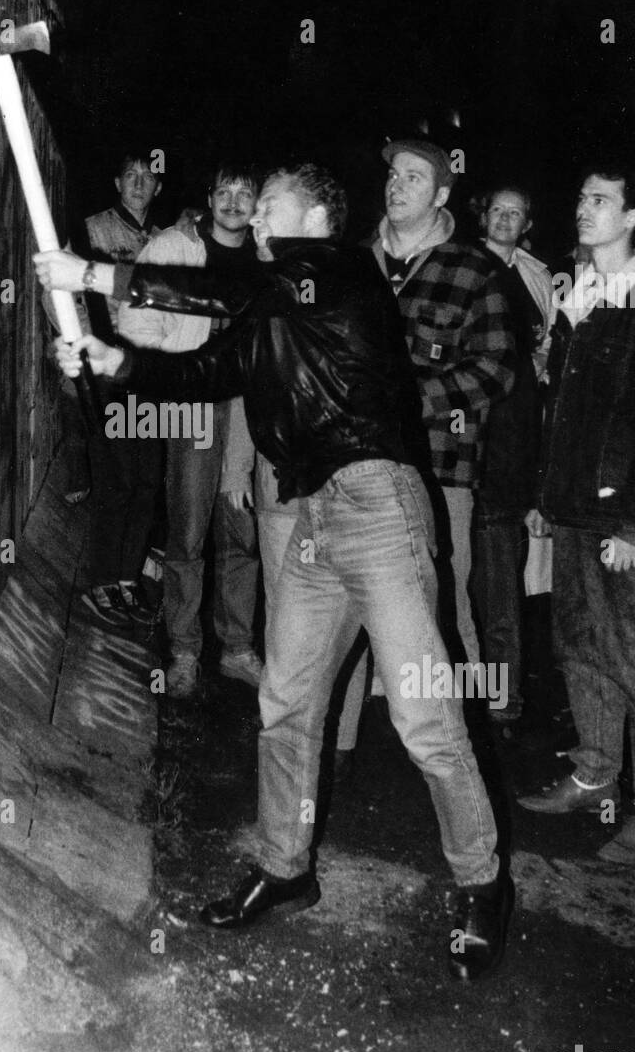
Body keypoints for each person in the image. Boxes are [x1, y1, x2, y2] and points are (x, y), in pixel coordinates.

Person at [36, 162, 514, 981]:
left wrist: (96, 273)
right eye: (251, 206)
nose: (254, 216)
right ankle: (285, 869)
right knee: (287, 703)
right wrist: (108, 359)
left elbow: (229, 293)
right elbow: (202, 371)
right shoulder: (271, 311)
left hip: (379, 502)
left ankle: (483, 883)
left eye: (268, 205)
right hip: (313, 516)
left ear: (319, 216)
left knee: (425, 716)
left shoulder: (339, 271)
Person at [518, 164, 635, 864]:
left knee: (629, 649)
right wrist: (546, 496)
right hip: (572, 509)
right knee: (581, 643)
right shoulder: (577, 295)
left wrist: (632, 525)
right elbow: (559, 414)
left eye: (600, 201)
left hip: (620, 516)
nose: (583, 209)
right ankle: (596, 772)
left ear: (632, 218)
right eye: (582, 197)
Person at [369, 140, 516, 669]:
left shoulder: (474, 270)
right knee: (355, 599)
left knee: (444, 605)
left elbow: (496, 368)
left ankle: (464, 728)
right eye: (393, 174)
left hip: (440, 467)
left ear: (442, 194)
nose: (396, 185)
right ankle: (348, 741)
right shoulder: (356, 261)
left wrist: (414, 398)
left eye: (413, 177)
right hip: (359, 465)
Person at [118, 163, 263, 698]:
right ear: (209, 197)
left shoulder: (267, 255)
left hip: (250, 406)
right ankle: (184, 651)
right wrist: (170, 373)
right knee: (188, 530)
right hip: (195, 406)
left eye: (243, 192)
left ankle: (238, 648)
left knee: (241, 528)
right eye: (223, 190)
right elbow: (134, 313)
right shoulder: (176, 247)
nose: (232, 201)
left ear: (257, 203)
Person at [471, 186, 553, 729]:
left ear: (526, 224)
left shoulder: (537, 276)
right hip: (460, 439)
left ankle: (501, 696)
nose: (505, 218)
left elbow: (547, 350)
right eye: (497, 208)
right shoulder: (457, 263)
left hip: (513, 440)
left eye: (515, 212)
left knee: (501, 575)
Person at [80, 150, 164, 627]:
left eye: (146, 177)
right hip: (108, 374)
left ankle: (128, 577)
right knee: (115, 480)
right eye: (129, 174)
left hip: (149, 374)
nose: (138, 183)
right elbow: (63, 298)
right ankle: (101, 579)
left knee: (146, 480)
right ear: (117, 182)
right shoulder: (93, 231)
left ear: (158, 188)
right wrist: (86, 352)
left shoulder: (163, 239)